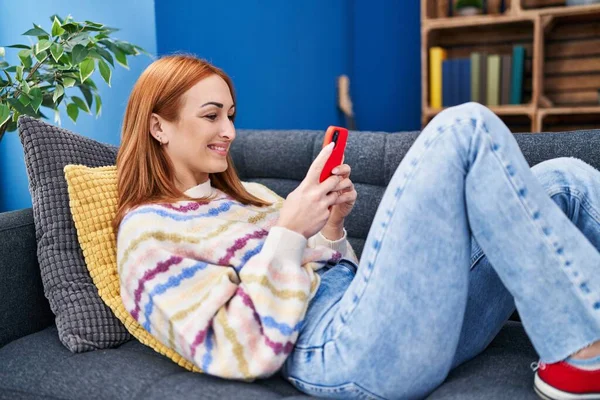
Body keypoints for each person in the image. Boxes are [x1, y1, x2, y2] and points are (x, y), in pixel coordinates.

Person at [113, 55, 600, 400]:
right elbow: (240, 350)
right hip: (340, 354)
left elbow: (340, 275)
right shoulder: (147, 233)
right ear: (159, 126)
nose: (230, 132)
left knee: (565, 179)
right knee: (463, 127)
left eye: (232, 116)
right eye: (211, 116)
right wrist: (287, 234)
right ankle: (579, 360)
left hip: (389, 325)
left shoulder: (253, 197)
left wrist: (331, 229)